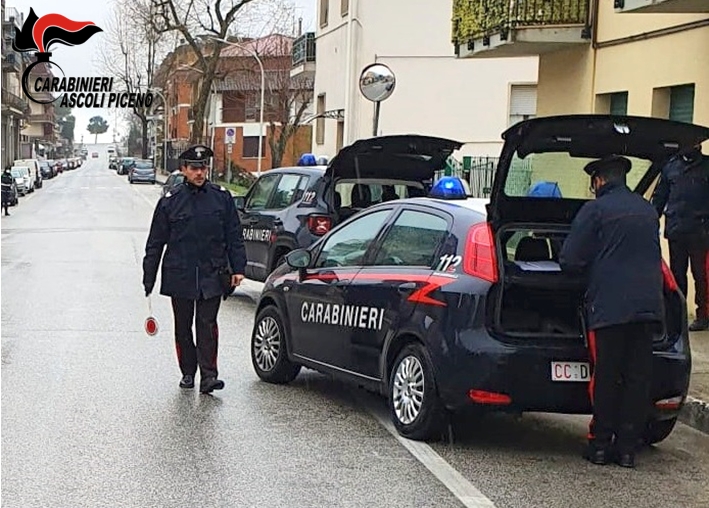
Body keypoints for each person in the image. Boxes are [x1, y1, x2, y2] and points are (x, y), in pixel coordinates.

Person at [560, 155, 664, 468]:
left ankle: (600, 445)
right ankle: (628, 449)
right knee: (636, 378)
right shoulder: (647, 210)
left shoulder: (595, 210)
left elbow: (570, 259)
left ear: (599, 180)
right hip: (648, 307)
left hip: (609, 308)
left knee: (606, 375)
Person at [142, 145, 247, 394]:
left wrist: (238, 268)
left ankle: (209, 376)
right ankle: (188, 372)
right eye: (194, 168)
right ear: (184, 170)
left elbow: (234, 235)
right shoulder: (171, 202)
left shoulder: (221, 198)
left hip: (213, 272)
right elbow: (156, 242)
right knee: (183, 326)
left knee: (207, 324)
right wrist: (149, 277)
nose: (200, 173)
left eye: (203, 168)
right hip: (181, 273)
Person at [651, 144, 709, 332]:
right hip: (676, 230)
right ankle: (678, 314)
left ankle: (703, 316)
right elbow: (660, 198)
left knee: (700, 275)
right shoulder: (670, 167)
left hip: (700, 230)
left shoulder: (706, 166)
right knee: (677, 275)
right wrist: (650, 220)